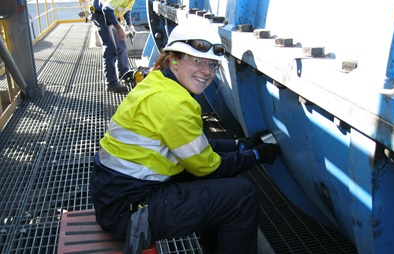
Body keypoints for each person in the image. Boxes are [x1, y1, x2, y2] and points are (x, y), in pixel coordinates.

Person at [90, 19, 281, 254]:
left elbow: (190, 146)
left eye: (212, 64)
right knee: (242, 195)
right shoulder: (176, 103)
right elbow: (208, 167)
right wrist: (256, 155)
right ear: (174, 59)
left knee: (212, 188)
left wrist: (238, 144)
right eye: (197, 60)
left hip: (113, 200)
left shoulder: (157, 81)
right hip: (131, 215)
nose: (206, 71)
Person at [91, 0, 136, 93]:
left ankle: (124, 73)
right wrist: (119, 28)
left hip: (110, 14)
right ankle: (111, 84)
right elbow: (106, 9)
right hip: (100, 15)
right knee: (111, 49)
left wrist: (129, 24)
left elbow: (126, 8)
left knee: (121, 45)